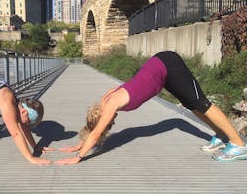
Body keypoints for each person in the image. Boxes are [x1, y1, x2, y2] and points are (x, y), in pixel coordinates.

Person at [55, 51, 247, 164]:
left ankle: (238, 144)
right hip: (161, 71)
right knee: (191, 105)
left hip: (168, 65)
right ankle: (221, 135)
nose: (112, 123)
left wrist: (79, 156)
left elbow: (96, 133)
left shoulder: (111, 105)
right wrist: (78, 144)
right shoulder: (105, 99)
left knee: (201, 103)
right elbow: (94, 130)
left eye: (108, 125)